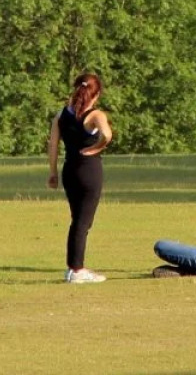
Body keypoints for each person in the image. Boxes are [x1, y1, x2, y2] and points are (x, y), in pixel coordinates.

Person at [47, 73, 113, 284]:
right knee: (82, 222)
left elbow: (53, 144)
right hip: (89, 171)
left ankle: (73, 268)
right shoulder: (95, 115)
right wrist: (96, 148)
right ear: (97, 94)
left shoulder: (61, 115)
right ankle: (76, 269)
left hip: (69, 170)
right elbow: (107, 135)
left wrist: (52, 173)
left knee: (78, 219)